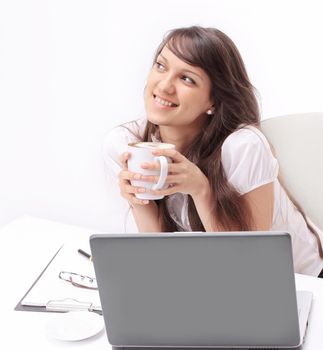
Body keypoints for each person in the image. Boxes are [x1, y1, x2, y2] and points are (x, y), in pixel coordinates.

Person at [103, 26, 323, 277]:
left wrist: (200, 189)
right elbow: (160, 253)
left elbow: (250, 265)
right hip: (217, 277)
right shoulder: (127, 143)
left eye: (187, 78)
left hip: (300, 282)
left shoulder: (242, 147)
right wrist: (138, 200)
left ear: (213, 101)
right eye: (161, 66)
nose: (164, 86)